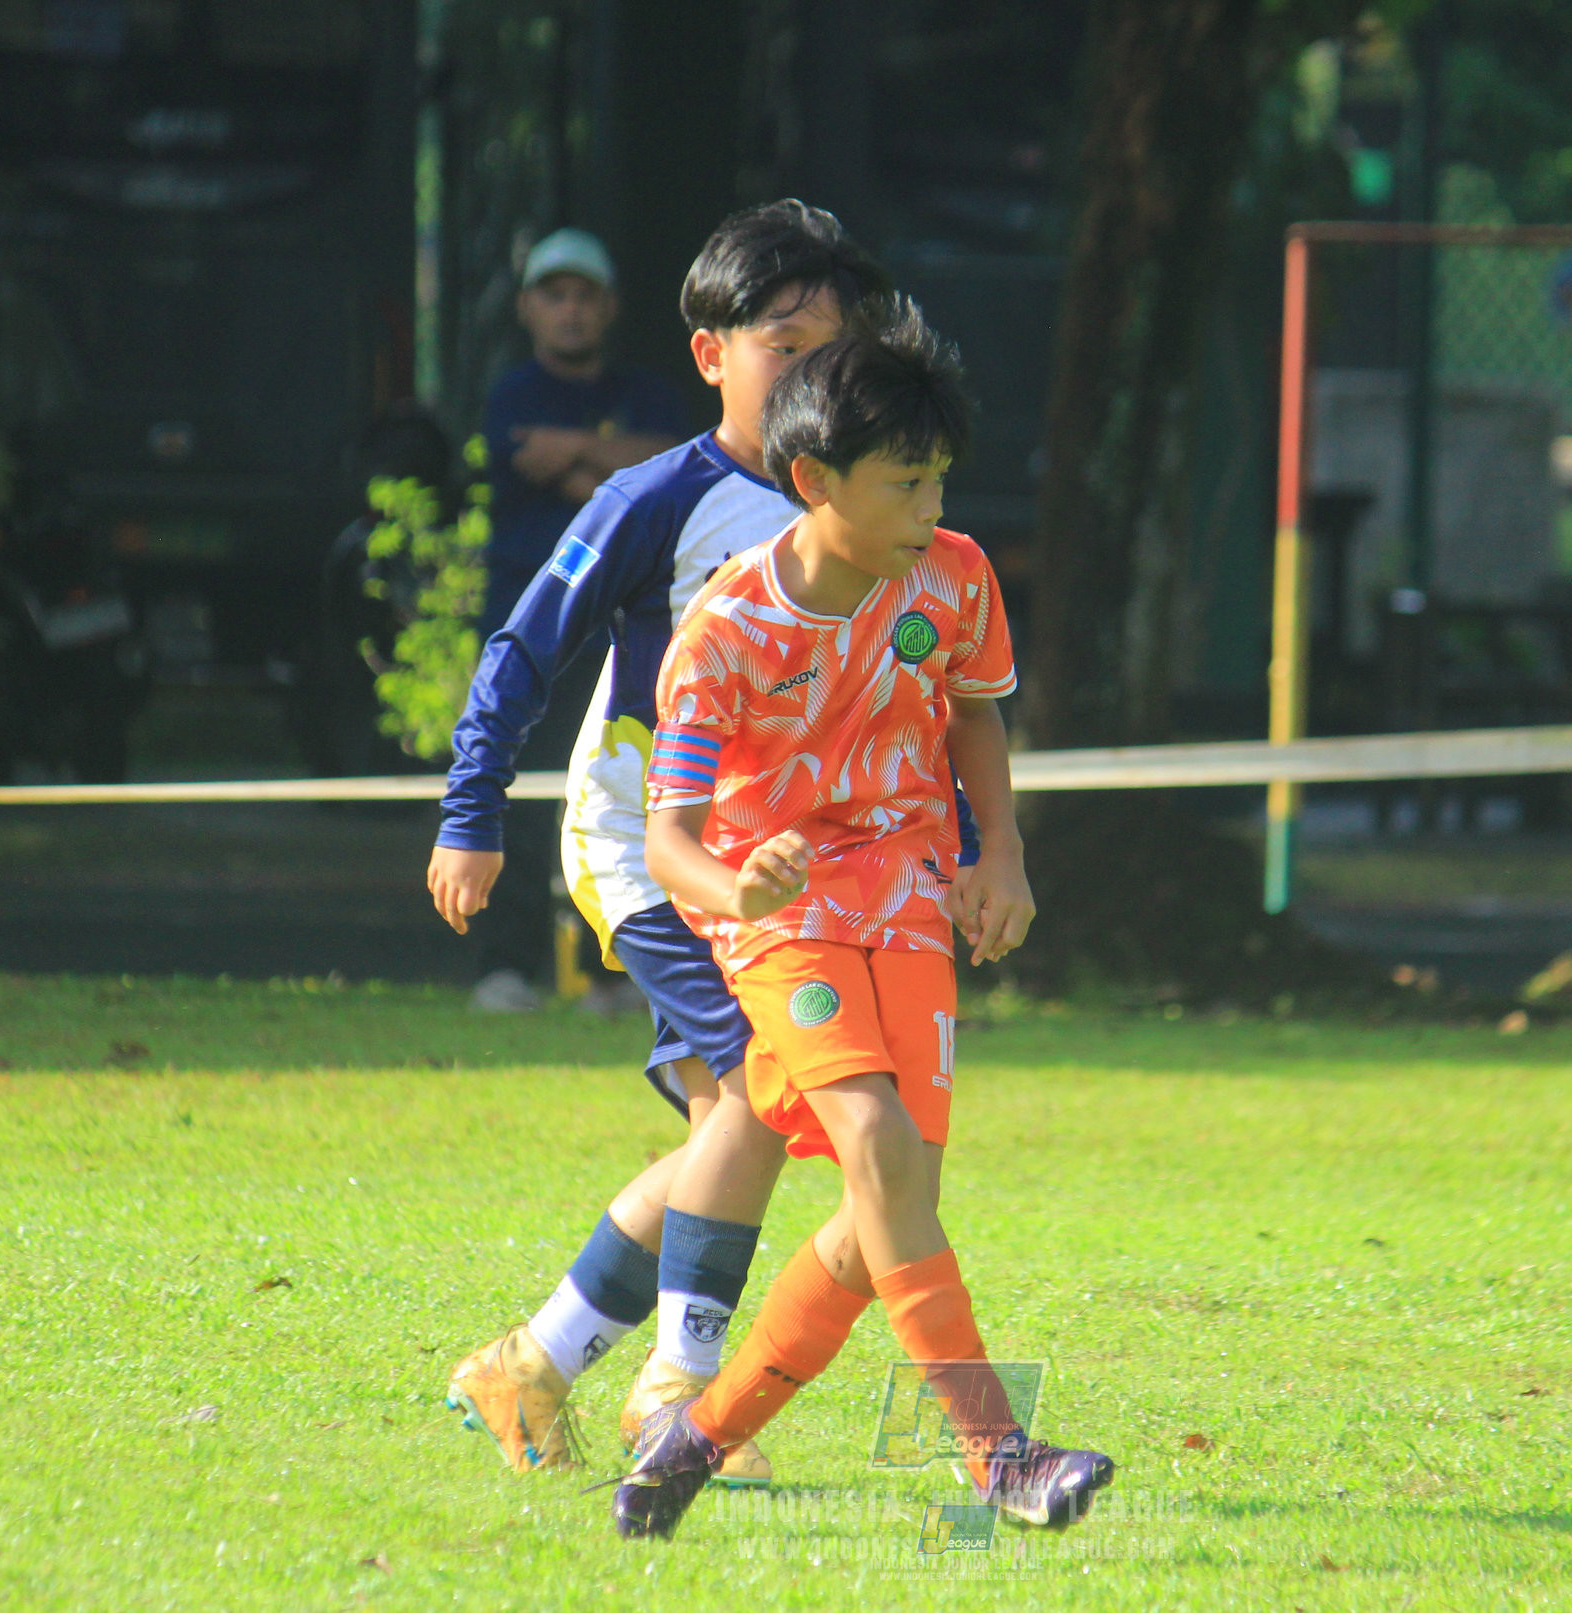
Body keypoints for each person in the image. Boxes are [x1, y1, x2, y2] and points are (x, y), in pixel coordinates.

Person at [612, 301, 1113, 1540]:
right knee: (878, 1144)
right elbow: (670, 837)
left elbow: (974, 712)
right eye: (905, 481)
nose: (931, 508)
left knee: (878, 1213)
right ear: (811, 479)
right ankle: (999, 1452)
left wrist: (999, 850)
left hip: (907, 897)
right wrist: (743, 893)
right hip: (778, 923)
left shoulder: (953, 575)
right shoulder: (725, 631)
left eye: (940, 477)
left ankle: (694, 1439)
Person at [427, 202, 893, 1484]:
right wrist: (472, 816)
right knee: (751, 1085)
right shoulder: (659, 495)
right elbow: (524, 647)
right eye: (782, 345)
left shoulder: (863, 509)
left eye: (830, 349)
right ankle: (677, 1397)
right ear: (711, 357)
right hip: (643, 837)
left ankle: (534, 1361)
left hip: (763, 866)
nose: (811, 373)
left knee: (737, 1123)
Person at [471, 228, 690, 1014]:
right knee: (521, 804)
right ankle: (507, 970)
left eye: (584, 296)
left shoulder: (653, 395)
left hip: (627, 642)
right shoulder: (508, 396)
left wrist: (572, 449)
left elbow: (665, 468)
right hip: (533, 638)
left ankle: (615, 976)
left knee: (623, 798)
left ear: (609, 309)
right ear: (529, 307)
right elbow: (623, 500)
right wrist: (616, 463)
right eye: (554, 294)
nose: (569, 311)